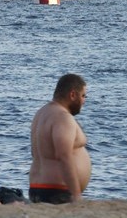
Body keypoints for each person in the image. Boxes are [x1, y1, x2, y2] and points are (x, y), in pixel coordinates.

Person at [29, 73, 90, 204]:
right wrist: (76, 195)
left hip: (37, 188)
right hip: (56, 191)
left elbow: (35, 153)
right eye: (83, 95)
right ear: (73, 95)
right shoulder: (63, 118)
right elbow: (63, 155)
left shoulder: (41, 114)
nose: (84, 100)